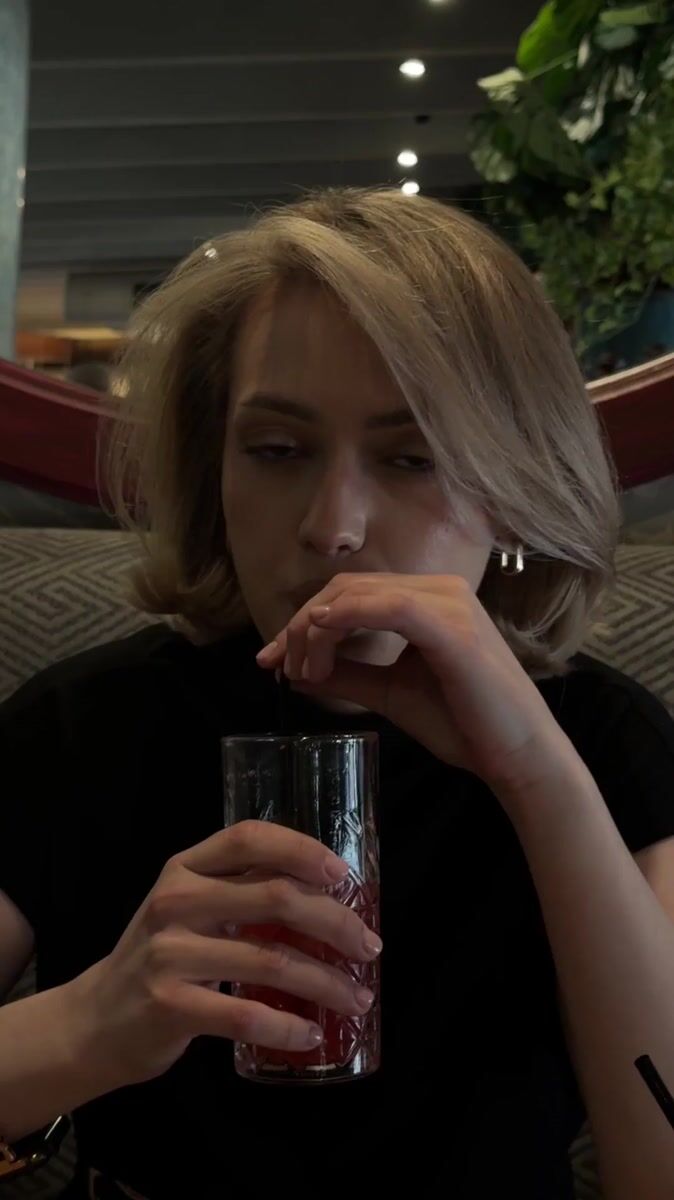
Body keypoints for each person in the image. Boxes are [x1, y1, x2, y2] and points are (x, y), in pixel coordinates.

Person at [1, 186, 674, 1200]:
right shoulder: (84, 724)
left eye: (411, 458)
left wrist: (538, 776)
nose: (332, 526)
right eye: (276, 451)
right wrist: (89, 1024)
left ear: (516, 491)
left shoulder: (602, 739)